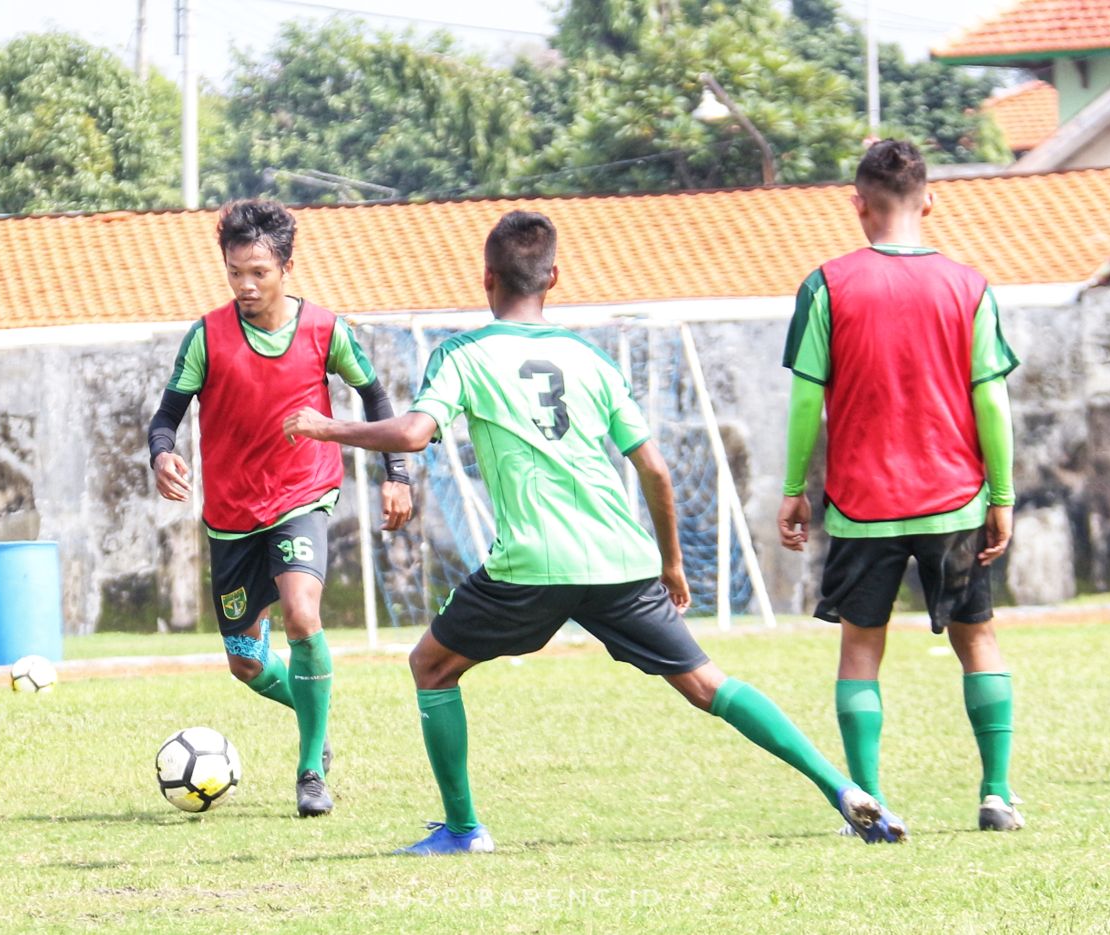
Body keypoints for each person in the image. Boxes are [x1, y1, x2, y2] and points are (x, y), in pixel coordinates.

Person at [282, 210, 906, 855]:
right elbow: (656, 469)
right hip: (620, 558)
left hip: (531, 564)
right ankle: (842, 788)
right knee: (707, 684)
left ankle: (464, 830)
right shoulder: (591, 359)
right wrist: (671, 563)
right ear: (554, 276)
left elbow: (413, 434)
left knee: (432, 667)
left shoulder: (462, 354)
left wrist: (326, 428)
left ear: (487, 277)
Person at [776, 139, 1022, 832]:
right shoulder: (970, 286)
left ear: (858, 205)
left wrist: (795, 487)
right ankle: (997, 791)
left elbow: (804, 401)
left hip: (860, 506)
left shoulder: (826, 284)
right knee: (977, 637)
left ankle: (870, 800)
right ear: (931, 199)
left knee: (861, 647)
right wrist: (1001, 495)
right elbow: (992, 401)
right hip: (956, 498)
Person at [147, 199, 413, 818]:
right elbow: (167, 418)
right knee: (245, 663)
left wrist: (395, 473)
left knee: (301, 614)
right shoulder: (206, 336)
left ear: (287, 267)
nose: (245, 285)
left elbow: (378, 402)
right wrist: (162, 456)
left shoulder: (326, 330)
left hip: (302, 496)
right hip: (232, 513)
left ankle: (311, 768)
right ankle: (314, 706)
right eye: (235, 271)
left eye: (258, 272)